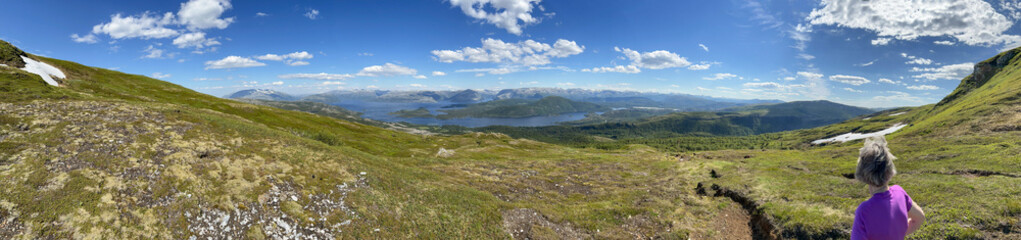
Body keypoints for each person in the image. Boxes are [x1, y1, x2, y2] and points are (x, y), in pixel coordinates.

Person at [851, 136, 925, 240]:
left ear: (862, 173)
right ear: (889, 169)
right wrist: (900, 233)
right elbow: (919, 218)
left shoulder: (863, 211)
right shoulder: (900, 192)